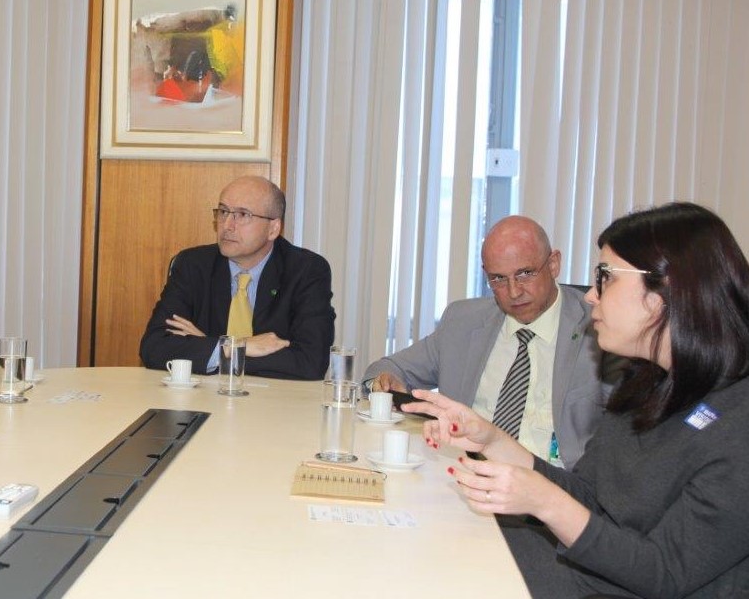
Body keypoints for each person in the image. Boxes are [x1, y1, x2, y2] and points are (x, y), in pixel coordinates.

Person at [412, 202, 749, 598]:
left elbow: (665, 574)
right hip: (581, 570)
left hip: (611, 587)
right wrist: (492, 441)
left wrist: (545, 502)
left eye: (606, 278)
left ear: (665, 291)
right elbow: (589, 495)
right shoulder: (646, 385)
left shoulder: (737, 421)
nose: (590, 296)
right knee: (424, 539)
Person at [363, 216, 620, 469]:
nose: (514, 292)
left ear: (553, 264)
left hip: (553, 482)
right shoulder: (463, 322)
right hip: (465, 472)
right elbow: (385, 369)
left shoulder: (600, 327)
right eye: (498, 279)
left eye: (525, 274)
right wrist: (384, 382)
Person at [139, 176, 335, 380]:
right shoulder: (193, 265)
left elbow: (311, 362)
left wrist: (211, 349)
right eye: (223, 212)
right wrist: (236, 346)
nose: (227, 225)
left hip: (273, 398)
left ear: (273, 229)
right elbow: (154, 347)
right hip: (202, 396)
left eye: (243, 215)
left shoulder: (306, 270)